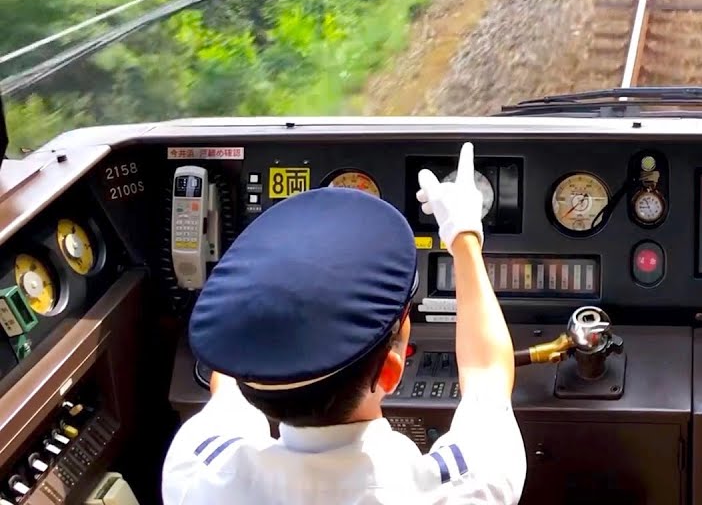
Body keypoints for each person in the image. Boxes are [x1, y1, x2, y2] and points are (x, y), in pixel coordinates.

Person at [162, 143, 526, 504]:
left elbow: (229, 388)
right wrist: (463, 235)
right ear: (390, 371)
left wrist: (266, 281)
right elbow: (486, 378)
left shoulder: (195, 476)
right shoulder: (461, 487)